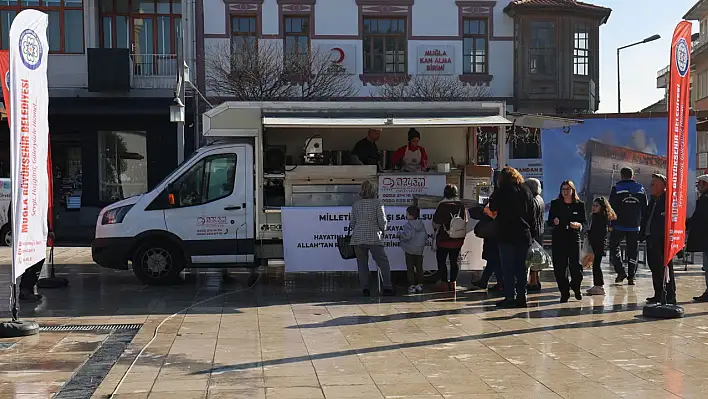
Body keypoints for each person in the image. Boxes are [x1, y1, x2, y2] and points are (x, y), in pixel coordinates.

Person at [487, 167, 534, 308]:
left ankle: (509, 296)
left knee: (508, 269)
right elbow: (531, 211)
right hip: (524, 234)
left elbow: (492, 207)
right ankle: (522, 296)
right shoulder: (526, 190)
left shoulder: (502, 191)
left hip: (506, 234)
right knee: (521, 268)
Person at [350, 179, 395, 296]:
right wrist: (383, 230)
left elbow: (352, 223)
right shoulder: (377, 203)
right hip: (374, 237)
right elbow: (382, 221)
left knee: (362, 265)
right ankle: (387, 287)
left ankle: (365, 289)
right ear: (374, 190)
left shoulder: (356, 204)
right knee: (383, 263)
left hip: (358, 238)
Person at [548, 180, 586, 303]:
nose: (565, 192)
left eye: (567, 189)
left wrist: (578, 225)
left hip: (573, 237)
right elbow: (549, 221)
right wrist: (554, 222)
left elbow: (584, 223)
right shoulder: (555, 204)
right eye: (563, 189)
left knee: (576, 266)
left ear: (572, 190)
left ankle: (576, 286)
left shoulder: (579, 205)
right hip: (559, 237)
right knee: (559, 267)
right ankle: (564, 292)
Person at [609, 167, 648, 285]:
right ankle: (631, 277)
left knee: (613, 247)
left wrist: (610, 223)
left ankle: (620, 271)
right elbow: (645, 208)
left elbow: (610, 207)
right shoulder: (640, 189)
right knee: (633, 251)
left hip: (618, 225)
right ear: (633, 176)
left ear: (621, 176)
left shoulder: (616, 188)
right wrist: (642, 224)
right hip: (634, 226)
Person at [642, 174, 675, 304]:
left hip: (663, 240)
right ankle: (658, 294)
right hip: (651, 238)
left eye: (654, 184)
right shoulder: (653, 199)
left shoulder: (668, 200)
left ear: (662, 186)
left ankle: (669, 296)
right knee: (654, 267)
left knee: (665, 269)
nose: (651, 187)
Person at [471, 172, 503, 292]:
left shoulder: (498, 195)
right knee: (493, 259)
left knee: (494, 259)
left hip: (493, 232)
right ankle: (484, 281)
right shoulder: (502, 193)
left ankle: (501, 283)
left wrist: (485, 210)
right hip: (495, 232)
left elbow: (494, 213)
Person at [432, 184, 467, 292]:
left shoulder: (442, 205)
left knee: (441, 261)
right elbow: (465, 221)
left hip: (444, 238)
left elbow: (436, 223)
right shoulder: (461, 205)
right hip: (457, 239)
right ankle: (453, 283)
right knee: (454, 261)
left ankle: (444, 283)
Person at [585, 197, 616, 296]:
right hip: (596, 243)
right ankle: (597, 285)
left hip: (598, 244)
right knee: (595, 265)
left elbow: (600, 232)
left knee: (596, 265)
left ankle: (599, 286)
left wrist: (590, 235)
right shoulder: (596, 216)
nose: (594, 208)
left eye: (596, 206)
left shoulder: (601, 218)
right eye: (593, 205)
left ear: (601, 207)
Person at [19, 217, 54, 301]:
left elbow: (41, 216)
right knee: (29, 265)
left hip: (39, 240)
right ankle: (24, 291)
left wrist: (49, 230)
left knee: (37, 264)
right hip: (28, 239)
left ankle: (30, 290)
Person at [398, 205, 427, 294]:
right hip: (419, 250)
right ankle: (420, 285)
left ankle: (411, 285)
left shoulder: (408, 225)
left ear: (411, 215)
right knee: (419, 268)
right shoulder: (422, 224)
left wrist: (399, 234)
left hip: (409, 249)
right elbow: (425, 236)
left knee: (410, 268)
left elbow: (407, 236)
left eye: (407, 214)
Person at [689, 175, 708, 302]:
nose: (697, 186)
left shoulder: (705, 199)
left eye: (699, 183)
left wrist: (685, 223)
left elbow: (700, 218)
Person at [526, 178, 545, 292]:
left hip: (533, 233)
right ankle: (536, 280)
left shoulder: (531, 200)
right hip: (540, 231)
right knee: (537, 258)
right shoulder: (540, 199)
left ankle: (532, 282)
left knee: (531, 259)